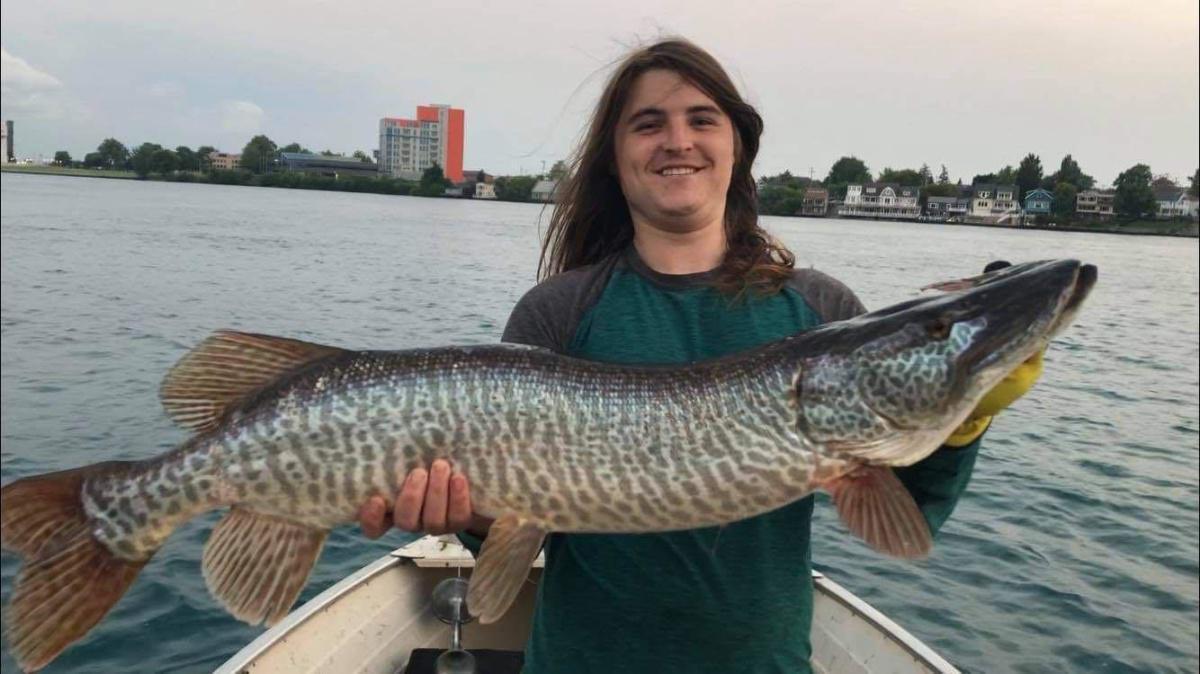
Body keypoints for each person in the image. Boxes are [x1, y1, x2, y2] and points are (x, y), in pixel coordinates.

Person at [358, 38, 1042, 673]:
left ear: (737, 145)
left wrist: (966, 418)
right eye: (649, 123)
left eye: (702, 119)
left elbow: (910, 517)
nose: (677, 140)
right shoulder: (559, 311)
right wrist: (462, 514)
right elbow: (523, 528)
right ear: (616, 154)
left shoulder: (819, 310)